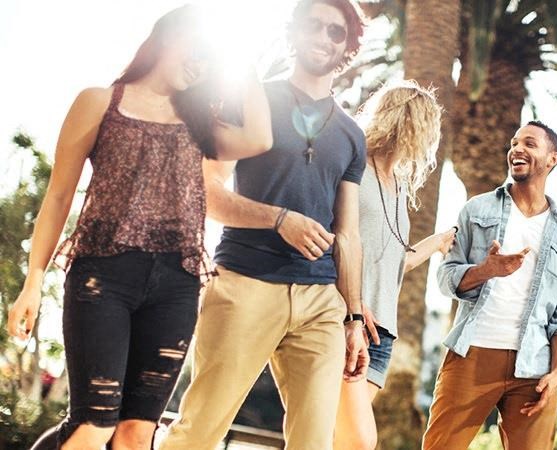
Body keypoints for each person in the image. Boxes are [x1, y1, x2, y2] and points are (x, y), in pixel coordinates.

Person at [5, 5, 273, 449]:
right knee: (95, 425)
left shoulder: (203, 123)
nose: (201, 64)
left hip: (177, 285)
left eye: (211, 59)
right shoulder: (99, 101)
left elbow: (260, 138)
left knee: (136, 435)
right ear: (169, 38)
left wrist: (241, 60)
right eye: (197, 50)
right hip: (102, 275)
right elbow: (58, 196)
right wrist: (34, 281)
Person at [159, 1, 369, 449]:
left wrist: (353, 317)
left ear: (349, 46)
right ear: (293, 33)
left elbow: (348, 235)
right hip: (243, 283)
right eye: (313, 26)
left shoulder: (352, 135)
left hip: (321, 302)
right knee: (199, 430)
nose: (323, 37)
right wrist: (277, 220)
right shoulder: (250, 101)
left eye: (336, 32)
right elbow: (207, 192)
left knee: (315, 444)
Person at [423, 121, 557, 450]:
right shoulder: (476, 210)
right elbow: (445, 275)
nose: (517, 149)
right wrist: (484, 271)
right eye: (513, 143)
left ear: (552, 159)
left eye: (529, 143)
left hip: (534, 366)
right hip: (473, 353)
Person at [333, 80, 455, 450]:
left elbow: (392, 264)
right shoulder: (355, 169)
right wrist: (349, 306)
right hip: (350, 323)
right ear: (407, 121)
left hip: (383, 332)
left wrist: (436, 244)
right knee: (359, 440)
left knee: (331, 439)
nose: (429, 139)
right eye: (426, 125)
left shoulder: (398, 186)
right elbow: (335, 238)